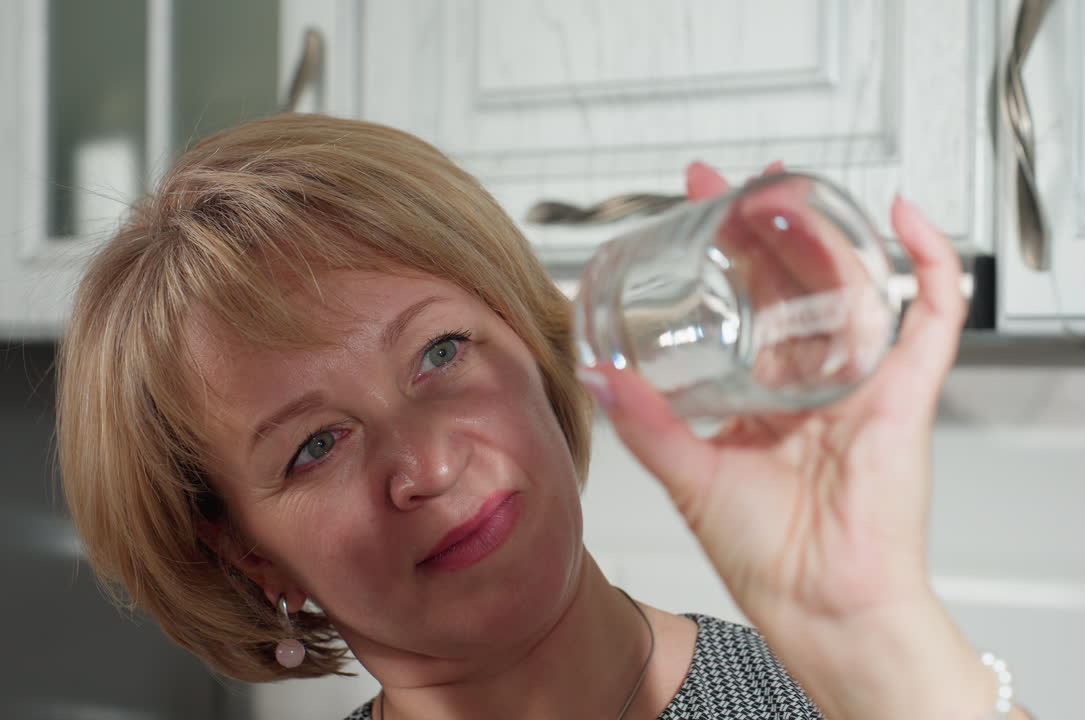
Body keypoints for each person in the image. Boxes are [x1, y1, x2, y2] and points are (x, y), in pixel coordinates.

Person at [56, 113, 1032, 720]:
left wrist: (873, 629)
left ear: (528, 335)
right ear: (246, 554)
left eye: (438, 353)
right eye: (316, 446)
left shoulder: (842, 701)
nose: (425, 464)